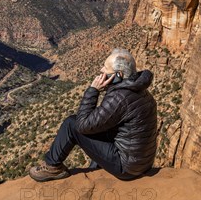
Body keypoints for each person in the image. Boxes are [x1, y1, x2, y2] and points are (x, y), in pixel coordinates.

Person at [29, 48, 158, 182]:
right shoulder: (139, 90)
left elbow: (82, 125)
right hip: (142, 162)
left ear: (118, 75)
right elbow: (103, 121)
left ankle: (52, 167)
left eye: (106, 68)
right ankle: (95, 167)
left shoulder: (120, 97)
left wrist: (93, 90)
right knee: (98, 127)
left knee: (71, 124)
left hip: (126, 166)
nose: (101, 70)